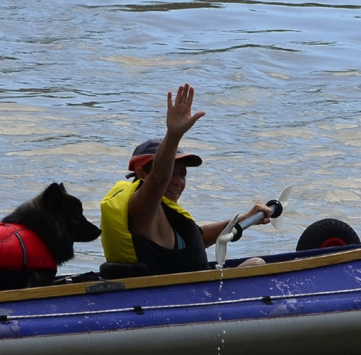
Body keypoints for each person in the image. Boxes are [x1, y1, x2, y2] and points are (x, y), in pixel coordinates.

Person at [100, 84, 273, 275]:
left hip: (192, 292)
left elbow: (197, 238)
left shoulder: (166, 215)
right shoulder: (143, 208)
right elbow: (159, 178)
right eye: (171, 173)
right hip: (171, 298)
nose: (177, 181)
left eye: (182, 174)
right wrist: (174, 135)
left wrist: (246, 219)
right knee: (257, 264)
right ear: (142, 174)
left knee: (256, 263)